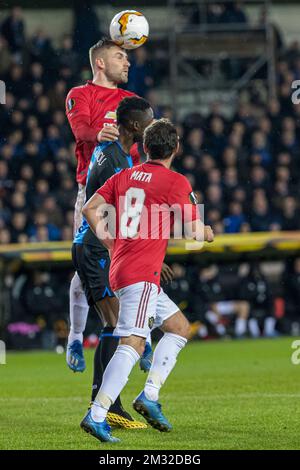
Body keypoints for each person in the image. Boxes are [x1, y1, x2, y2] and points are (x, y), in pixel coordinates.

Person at [80, 118, 214, 443]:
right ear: (176, 148)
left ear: (143, 147)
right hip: (141, 273)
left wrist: (110, 243)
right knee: (133, 341)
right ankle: (97, 414)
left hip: (126, 269)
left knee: (180, 328)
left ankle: (149, 396)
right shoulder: (175, 181)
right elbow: (195, 232)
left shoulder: (124, 176)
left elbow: (89, 208)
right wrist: (207, 231)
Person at [65, 38, 150, 428]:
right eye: (120, 55)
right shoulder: (80, 94)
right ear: (100, 61)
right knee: (95, 279)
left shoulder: (131, 100)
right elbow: (82, 129)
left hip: (125, 192)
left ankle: (135, 342)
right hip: (96, 191)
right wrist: (100, 133)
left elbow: (150, 141)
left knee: (126, 285)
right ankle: (77, 338)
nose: (127, 61)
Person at [73, 96, 166, 429]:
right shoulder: (114, 158)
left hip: (97, 246)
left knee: (113, 324)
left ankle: (107, 403)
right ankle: (108, 406)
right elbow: (106, 212)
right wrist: (122, 250)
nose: (154, 125)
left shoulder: (121, 154)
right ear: (136, 126)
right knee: (115, 323)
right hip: (97, 247)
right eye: (150, 120)